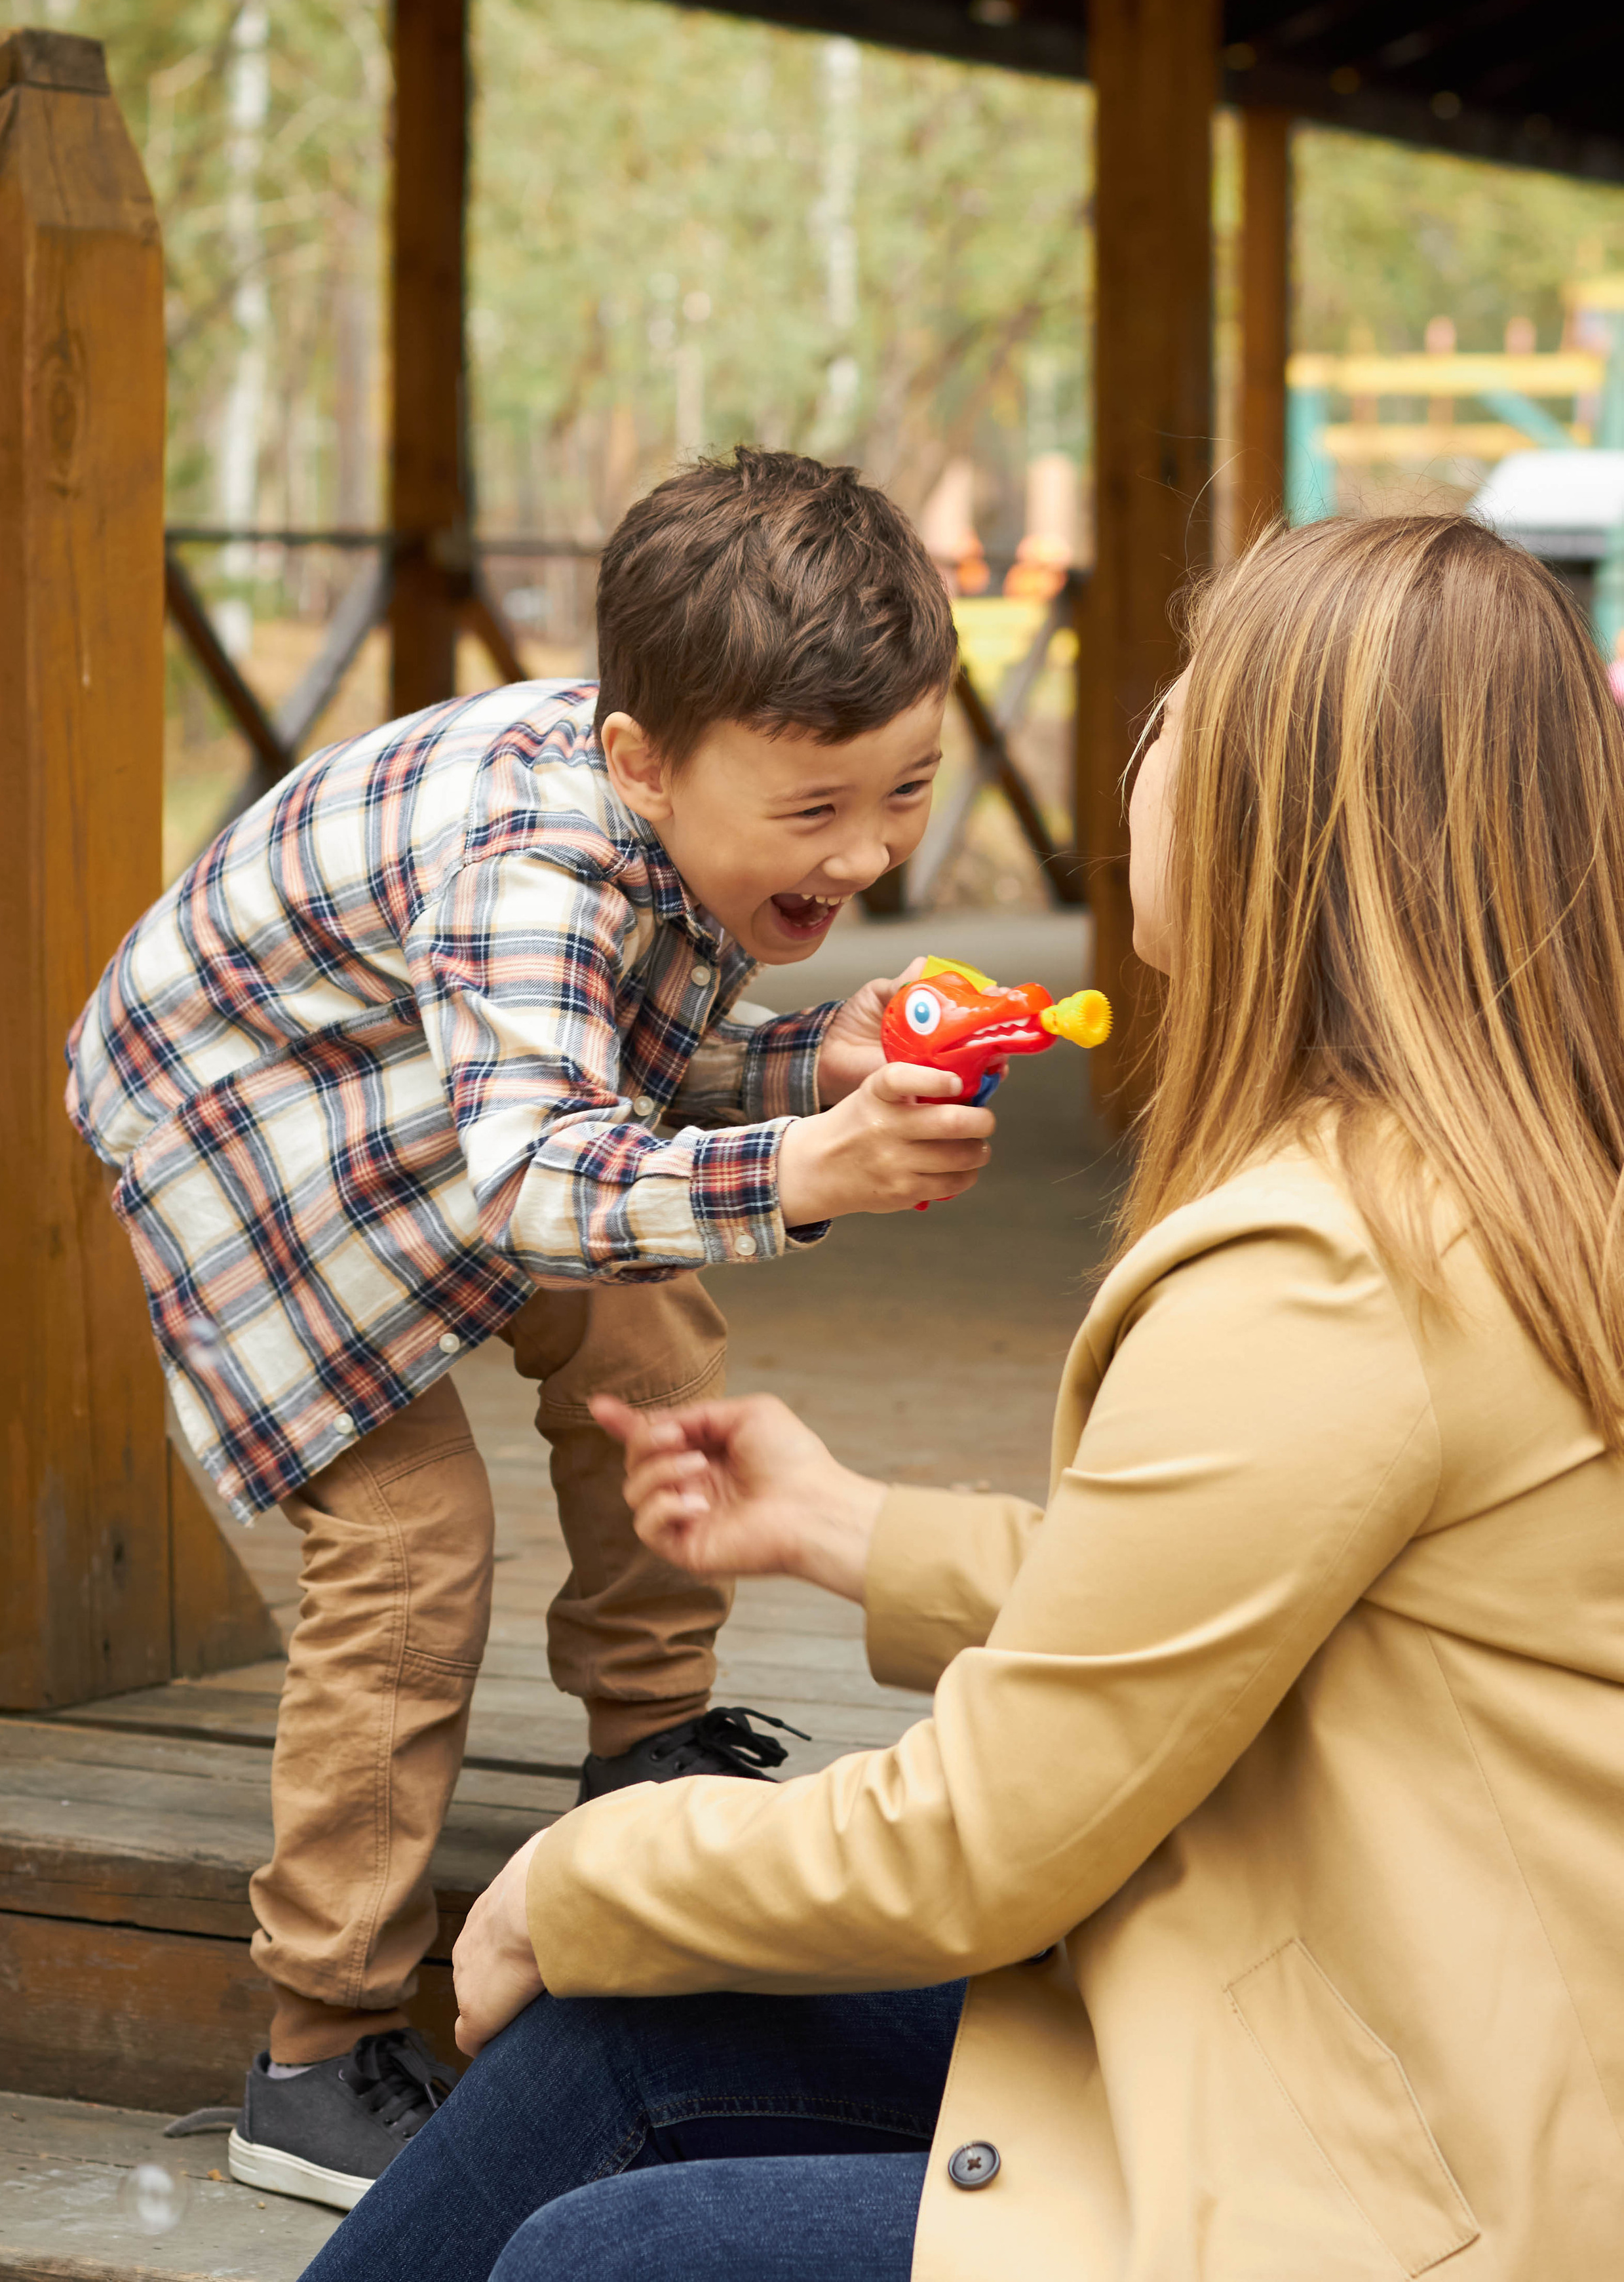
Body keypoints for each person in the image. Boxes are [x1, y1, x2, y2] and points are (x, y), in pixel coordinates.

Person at [303, 513, 1624, 2282]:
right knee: (630, 2046)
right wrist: (856, 1530)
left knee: (616, 2257)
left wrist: (585, 1870)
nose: (1139, 763)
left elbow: (985, 1844)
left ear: (1271, 815)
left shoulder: (1329, 1268)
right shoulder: (1488, 1182)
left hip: (1392, 2169)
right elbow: (1263, 1613)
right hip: (1370, 2019)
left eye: (1175, 724)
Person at [66, 450, 996, 2211]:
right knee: (412, 1544)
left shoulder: (660, 806)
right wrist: (807, 1159)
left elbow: (634, 1064)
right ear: (644, 764)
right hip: (256, 1134)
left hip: (465, 1109)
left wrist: (819, 1061)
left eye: (909, 791)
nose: (871, 852)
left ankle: (641, 1747)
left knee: (649, 1335)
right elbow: (548, 1176)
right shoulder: (535, 863)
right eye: (815, 811)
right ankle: (317, 2045)